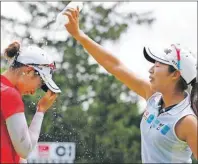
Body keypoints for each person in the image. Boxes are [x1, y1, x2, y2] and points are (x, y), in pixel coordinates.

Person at [63, 8, 197, 163]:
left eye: (158, 65)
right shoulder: (153, 97)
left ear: (175, 74)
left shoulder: (187, 121)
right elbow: (114, 66)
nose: (151, 69)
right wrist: (79, 35)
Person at [1, 42, 61, 163]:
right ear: (29, 71)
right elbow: (25, 150)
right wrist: (41, 110)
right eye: (39, 84)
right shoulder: (10, 95)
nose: (34, 92)